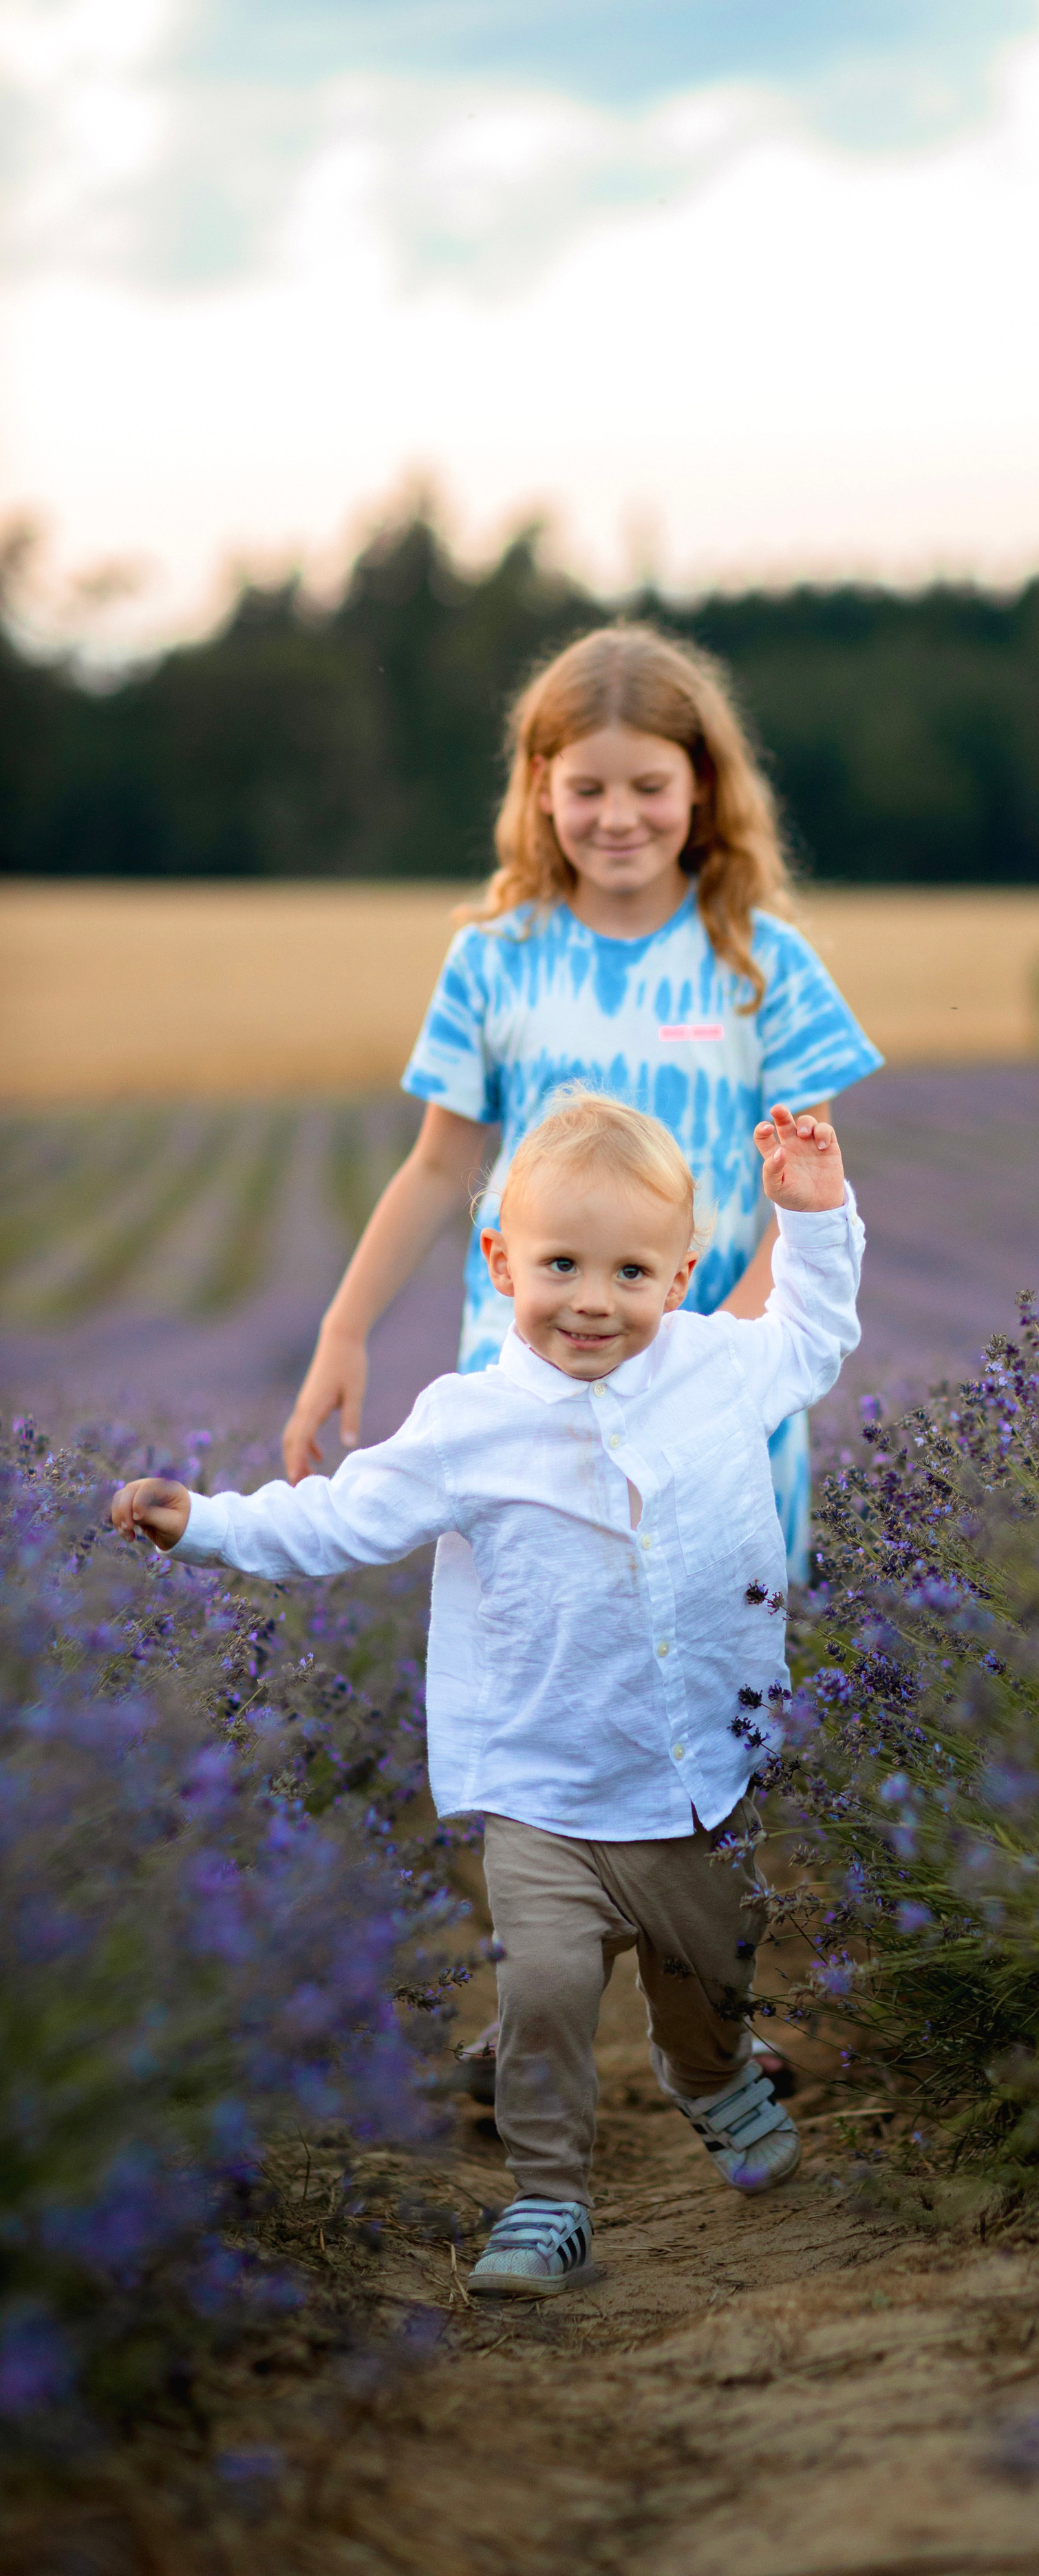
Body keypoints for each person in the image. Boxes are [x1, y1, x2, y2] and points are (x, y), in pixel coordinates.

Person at [114, 1092, 861, 2298]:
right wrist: (201, 1523)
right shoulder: (469, 1423)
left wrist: (814, 1213)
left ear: (679, 1278)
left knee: (715, 1972)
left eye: (631, 1271)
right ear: (500, 1260)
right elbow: (342, 1520)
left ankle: (711, 2075)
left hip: (696, 1780)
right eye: (560, 1264)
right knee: (549, 1988)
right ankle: (549, 2198)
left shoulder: (718, 1371)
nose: (592, 1299)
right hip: (543, 1786)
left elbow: (815, 1330)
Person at [281, 620, 881, 1582]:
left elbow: (801, 1198)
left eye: (649, 787)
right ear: (542, 786)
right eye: (587, 789)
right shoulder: (493, 957)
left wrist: (712, 1361)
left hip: (716, 1389)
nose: (618, 816)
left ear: (701, 785)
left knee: (728, 1681)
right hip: (531, 1396)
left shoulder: (766, 963)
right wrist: (344, 1330)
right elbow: (438, 1167)